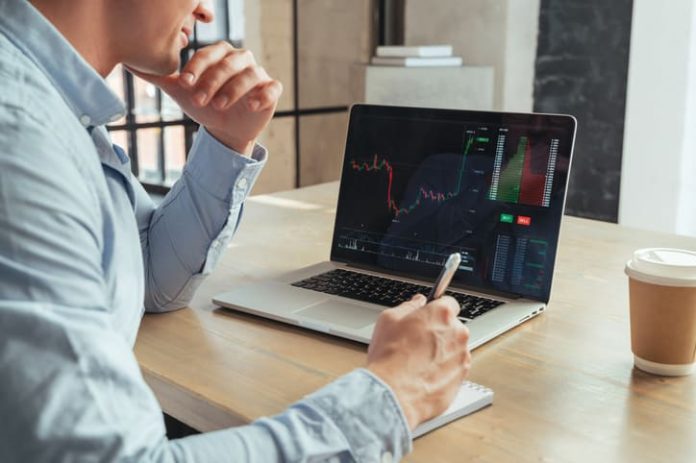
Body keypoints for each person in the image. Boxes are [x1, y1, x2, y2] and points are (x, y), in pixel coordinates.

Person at [0, 0, 471, 461]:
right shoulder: (20, 139)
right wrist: (392, 396)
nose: (205, 11)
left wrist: (228, 138)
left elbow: (144, 275)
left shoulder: (52, 106)